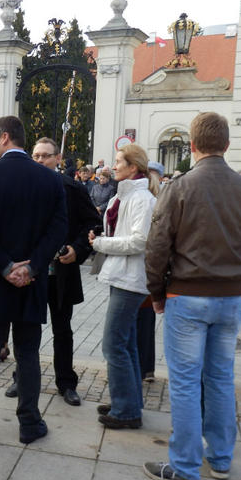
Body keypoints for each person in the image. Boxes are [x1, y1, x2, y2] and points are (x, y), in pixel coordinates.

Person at [144, 112, 241, 480]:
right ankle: (220, 458)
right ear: (227, 145)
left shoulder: (179, 187)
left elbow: (157, 246)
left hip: (187, 293)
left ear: (193, 146)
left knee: (184, 382)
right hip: (229, 296)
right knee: (219, 378)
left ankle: (184, 466)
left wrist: (156, 293)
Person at [0, 116, 67, 445]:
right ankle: (30, 422)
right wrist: (31, 267)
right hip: (31, 282)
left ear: (5, 137)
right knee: (28, 352)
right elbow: (58, 230)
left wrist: (6, 267)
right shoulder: (50, 180)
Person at [4, 138, 98, 406]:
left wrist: (77, 249)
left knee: (62, 329)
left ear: (58, 159)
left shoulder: (72, 188)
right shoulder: (23, 186)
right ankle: (21, 377)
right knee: (24, 329)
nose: (40, 160)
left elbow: (93, 222)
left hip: (61, 273)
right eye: (35, 156)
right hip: (30, 272)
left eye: (46, 156)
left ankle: (66, 382)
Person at [89, 144, 158, 428]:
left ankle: (126, 411)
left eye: (118, 162)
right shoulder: (125, 194)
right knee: (126, 343)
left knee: (113, 344)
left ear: (133, 167)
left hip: (131, 279)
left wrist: (101, 243)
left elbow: (139, 241)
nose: (113, 166)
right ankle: (128, 402)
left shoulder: (141, 198)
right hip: (121, 275)